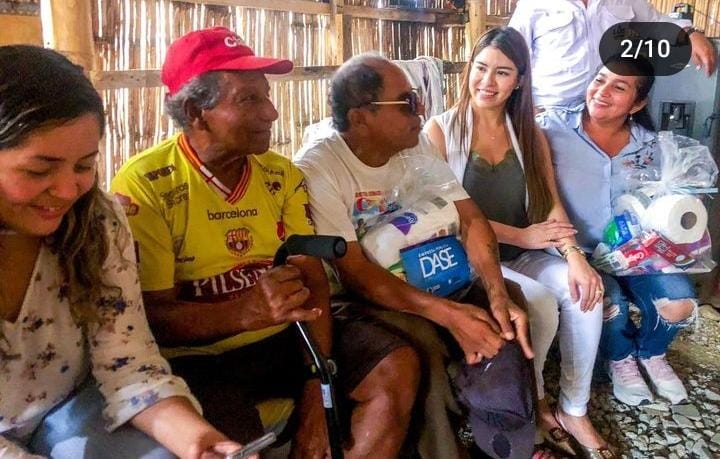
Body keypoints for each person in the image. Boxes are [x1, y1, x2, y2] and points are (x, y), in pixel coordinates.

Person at [110, 27, 419, 459]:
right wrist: (244, 312)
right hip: (197, 358)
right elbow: (152, 318)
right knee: (230, 441)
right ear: (197, 112)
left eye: (266, 96)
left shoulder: (280, 175)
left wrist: (317, 384)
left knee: (395, 364)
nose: (271, 112)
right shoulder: (148, 183)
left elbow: (312, 281)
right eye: (248, 100)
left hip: (285, 339)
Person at [0, 45, 244, 459]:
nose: (67, 191)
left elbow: (129, 365)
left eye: (84, 166)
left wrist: (197, 441)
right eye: (38, 170)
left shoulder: (95, 222)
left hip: (67, 411)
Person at [295, 53, 536, 459]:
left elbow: (471, 219)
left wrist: (495, 292)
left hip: (426, 273)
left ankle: (505, 437)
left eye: (418, 99)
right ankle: (444, 450)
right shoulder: (320, 167)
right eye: (407, 102)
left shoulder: (416, 143)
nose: (420, 110)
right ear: (360, 118)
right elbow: (354, 273)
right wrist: (449, 314)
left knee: (509, 305)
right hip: (359, 297)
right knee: (422, 341)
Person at [425, 27, 612, 458]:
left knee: (585, 292)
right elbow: (445, 214)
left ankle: (574, 409)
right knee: (540, 302)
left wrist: (575, 256)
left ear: (520, 80)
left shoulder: (530, 134)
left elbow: (551, 202)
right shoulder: (441, 131)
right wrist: (520, 235)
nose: (487, 81)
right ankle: (537, 402)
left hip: (527, 254)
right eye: (480, 68)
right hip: (473, 259)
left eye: (502, 72)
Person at [538, 57, 697, 412]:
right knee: (609, 304)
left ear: (637, 104)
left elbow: (666, 201)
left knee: (680, 302)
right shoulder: (551, 128)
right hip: (575, 251)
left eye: (619, 87)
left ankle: (650, 353)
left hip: (636, 253)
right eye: (600, 80)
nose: (602, 92)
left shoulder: (652, 146)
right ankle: (620, 358)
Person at [509, 0, 717, 109]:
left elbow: (656, 22)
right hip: (551, 111)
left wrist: (688, 32)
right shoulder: (533, 4)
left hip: (610, 109)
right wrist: (524, 109)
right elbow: (512, 58)